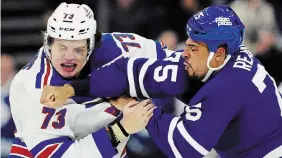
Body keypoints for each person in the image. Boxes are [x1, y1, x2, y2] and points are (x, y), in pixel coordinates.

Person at [41, 5, 282, 158]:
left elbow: (184, 147)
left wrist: (142, 112)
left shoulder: (229, 86)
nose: (184, 52)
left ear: (218, 54)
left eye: (194, 47)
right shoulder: (209, 61)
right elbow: (131, 71)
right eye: (187, 43)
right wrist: (71, 89)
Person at [9, 2, 159, 157]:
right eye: (62, 47)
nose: (69, 57)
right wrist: (121, 128)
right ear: (48, 43)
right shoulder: (34, 89)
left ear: (91, 45)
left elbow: (175, 61)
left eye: (78, 49)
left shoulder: (116, 48)